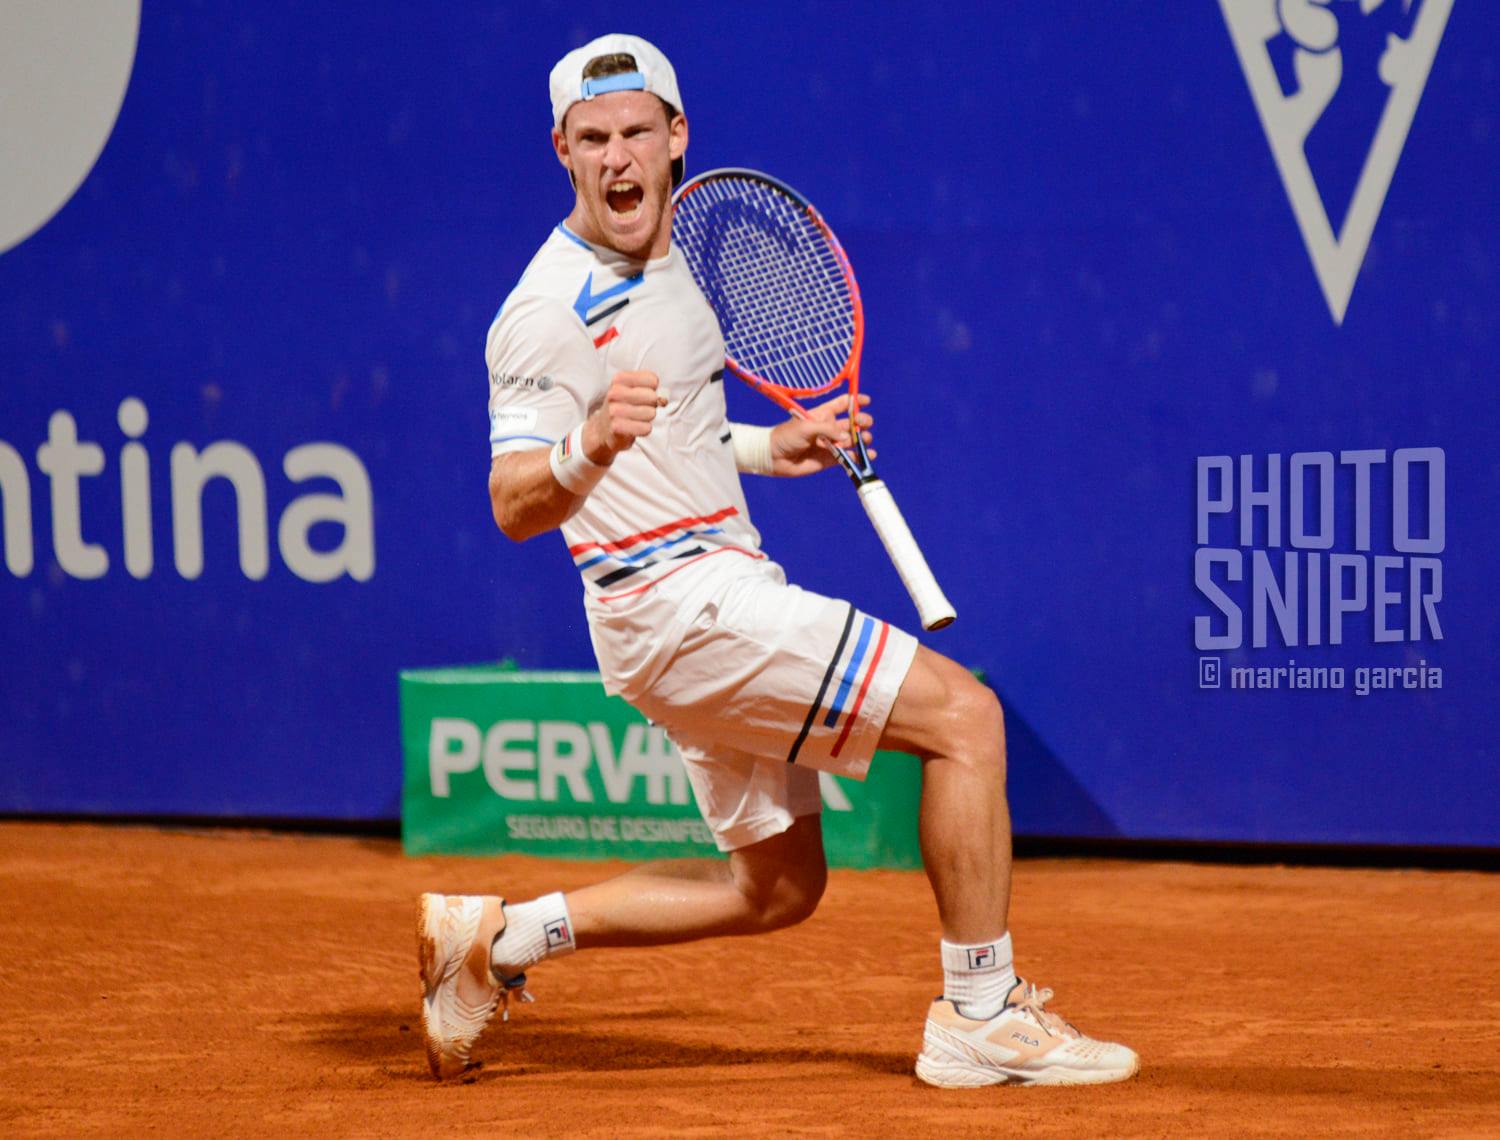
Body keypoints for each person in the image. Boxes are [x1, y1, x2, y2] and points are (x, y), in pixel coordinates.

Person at [418, 32, 1138, 1089]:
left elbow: (684, 431)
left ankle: (495, 939)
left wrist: (770, 447)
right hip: (678, 606)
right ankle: (980, 1013)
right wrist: (589, 444)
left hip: (706, 592)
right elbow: (512, 503)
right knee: (966, 720)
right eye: (592, 139)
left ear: (677, 136)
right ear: (562, 151)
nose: (617, 158)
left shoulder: (678, 260)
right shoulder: (541, 312)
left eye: (635, 133)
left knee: (778, 889)